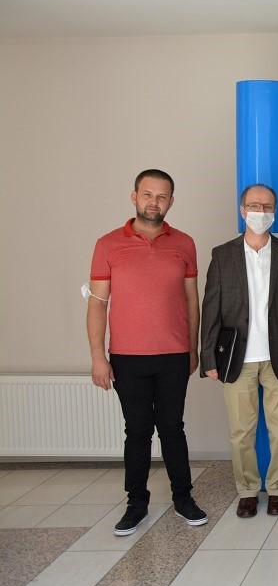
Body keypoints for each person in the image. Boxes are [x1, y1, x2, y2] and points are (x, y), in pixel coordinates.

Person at [87, 169, 207, 536]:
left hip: (174, 354)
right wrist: (98, 357)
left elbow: (192, 300)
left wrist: (192, 348)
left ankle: (183, 498)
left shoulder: (184, 243)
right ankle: (136, 503)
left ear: (171, 202)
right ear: (134, 196)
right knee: (137, 431)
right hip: (127, 357)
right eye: (148, 194)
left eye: (162, 196)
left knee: (172, 428)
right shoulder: (108, 244)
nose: (154, 202)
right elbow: (97, 305)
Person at [200, 184, 278, 518]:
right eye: (254, 205)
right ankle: (247, 491)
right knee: (241, 433)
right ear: (242, 209)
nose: (260, 212)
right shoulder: (223, 254)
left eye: (267, 206)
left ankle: (277, 490)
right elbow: (211, 309)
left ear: (275, 211)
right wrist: (209, 358)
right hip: (237, 359)